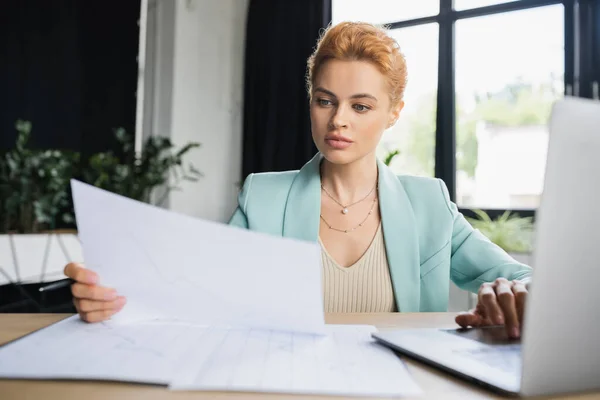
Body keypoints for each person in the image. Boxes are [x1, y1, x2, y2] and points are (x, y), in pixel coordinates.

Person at [64, 21, 532, 338]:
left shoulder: (429, 203)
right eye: (325, 100)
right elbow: (199, 293)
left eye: (361, 106)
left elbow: (522, 278)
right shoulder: (264, 196)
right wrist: (117, 300)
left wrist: (515, 291)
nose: (338, 120)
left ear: (394, 114)